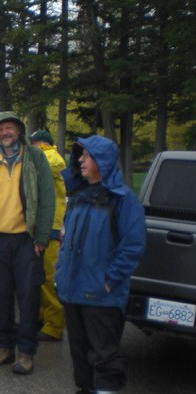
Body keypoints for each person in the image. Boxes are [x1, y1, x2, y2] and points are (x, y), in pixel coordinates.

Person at [55, 136, 145, 393]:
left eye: (87, 155)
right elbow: (67, 239)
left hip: (102, 296)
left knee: (104, 358)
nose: (80, 160)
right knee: (80, 356)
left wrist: (109, 280)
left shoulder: (123, 200)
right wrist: (61, 272)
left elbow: (132, 247)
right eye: (80, 155)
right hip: (73, 291)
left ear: (102, 161)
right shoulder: (79, 196)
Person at [0, 111, 55, 375]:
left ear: (19, 131)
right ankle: (4, 346)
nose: (5, 132)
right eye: (0, 129)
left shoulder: (35, 157)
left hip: (27, 240)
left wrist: (42, 236)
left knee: (29, 296)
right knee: (0, 297)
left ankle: (26, 351)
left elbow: (47, 197)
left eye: (9, 127)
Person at [29, 130, 67, 341]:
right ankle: (43, 318)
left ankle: (54, 325)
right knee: (39, 277)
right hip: (40, 226)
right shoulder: (45, 156)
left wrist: (35, 152)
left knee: (49, 277)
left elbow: (49, 165)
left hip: (51, 227)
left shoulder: (52, 157)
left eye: (35, 144)